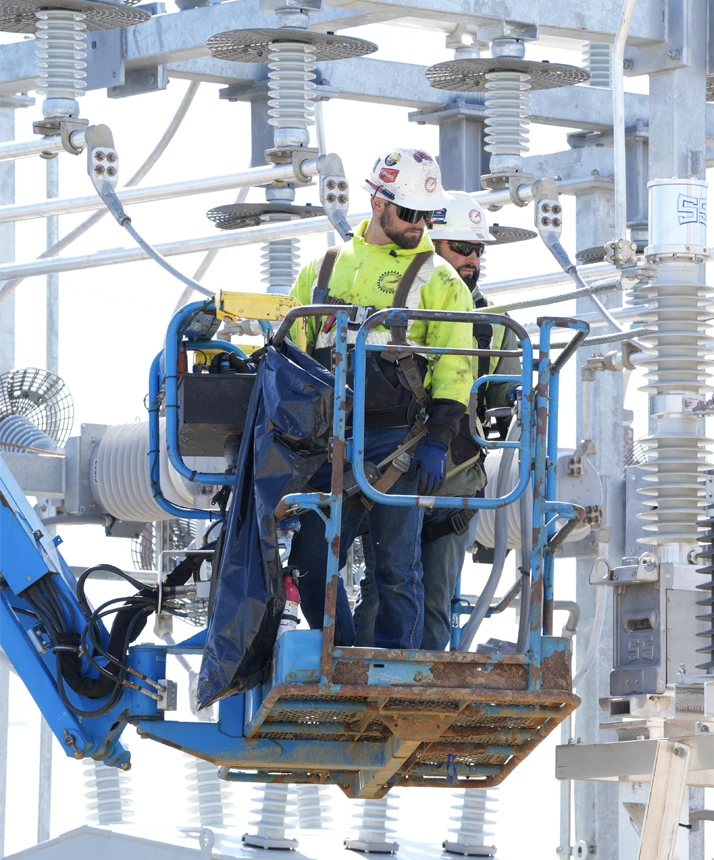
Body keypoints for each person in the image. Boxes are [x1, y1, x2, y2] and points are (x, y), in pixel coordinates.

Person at [287, 149, 474, 650]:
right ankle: (344, 657)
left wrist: (438, 439)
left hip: (400, 441)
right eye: (410, 213)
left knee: (396, 569)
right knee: (310, 563)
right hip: (328, 443)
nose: (420, 226)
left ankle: (398, 671)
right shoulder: (323, 269)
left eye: (427, 215)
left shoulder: (440, 279)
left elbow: (458, 367)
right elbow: (290, 356)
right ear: (378, 202)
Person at [354, 190, 522, 650]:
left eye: (477, 250)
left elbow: (509, 398)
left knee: (436, 602)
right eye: (461, 248)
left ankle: (415, 693)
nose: (471, 261)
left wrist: (526, 398)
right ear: (432, 246)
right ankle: (366, 682)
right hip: (390, 476)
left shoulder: (498, 329)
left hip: (454, 483)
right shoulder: (396, 317)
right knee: (382, 589)